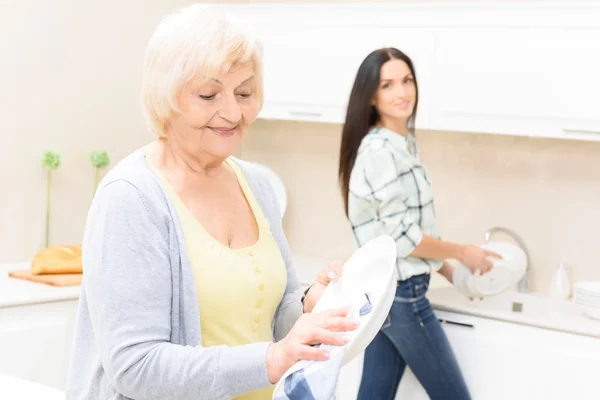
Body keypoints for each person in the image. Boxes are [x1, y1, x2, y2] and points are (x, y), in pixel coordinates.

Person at [65, 4, 358, 400]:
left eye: (244, 93)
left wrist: (307, 307)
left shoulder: (256, 184)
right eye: (208, 94)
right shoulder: (131, 198)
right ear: (166, 97)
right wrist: (270, 360)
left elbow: (271, 317)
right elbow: (135, 366)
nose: (233, 112)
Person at [338, 47, 502, 400]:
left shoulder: (401, 143)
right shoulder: (380, 150)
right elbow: (402, 238)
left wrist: (452, 272)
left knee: (374, 394)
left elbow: (403, 232)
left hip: (388, 292)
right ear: (370, 95)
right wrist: (462, 252)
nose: (401, 92)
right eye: (387, 85)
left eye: (407, 80)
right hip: (403, 296)